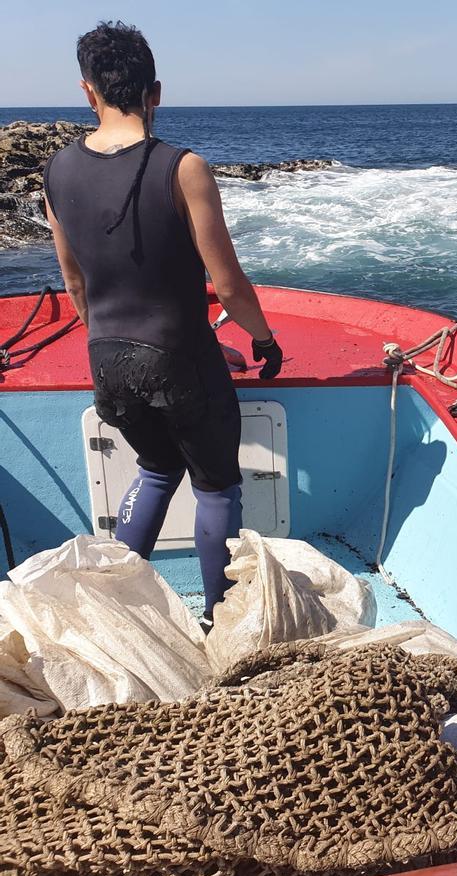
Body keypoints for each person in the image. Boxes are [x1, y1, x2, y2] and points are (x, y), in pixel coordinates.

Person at [43, 21, 284, 630]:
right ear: (156, 92)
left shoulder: (55, 174)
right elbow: (228, 284)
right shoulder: (184, 168)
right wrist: (260, 340)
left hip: (108, 359)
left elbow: (76, 285)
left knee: (155, 468)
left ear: (88, 92)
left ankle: (120, 607)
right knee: (215, 487)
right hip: (178, 359)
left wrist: (129, 347)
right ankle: (217, 621)